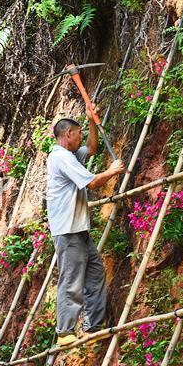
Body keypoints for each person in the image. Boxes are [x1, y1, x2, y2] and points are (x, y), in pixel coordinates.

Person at [46, 102, 125, 345]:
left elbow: (91, 148)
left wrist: (91, 120)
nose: (81, 138)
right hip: (68, 231)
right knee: (71, 279)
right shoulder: (60, 158)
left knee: (94, 273)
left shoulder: (70, 155)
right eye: (78, 133)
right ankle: (65, 332)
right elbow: (91, 183)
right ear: (67, 135)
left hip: (79, 229)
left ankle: (93, 327)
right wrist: (112, 171)